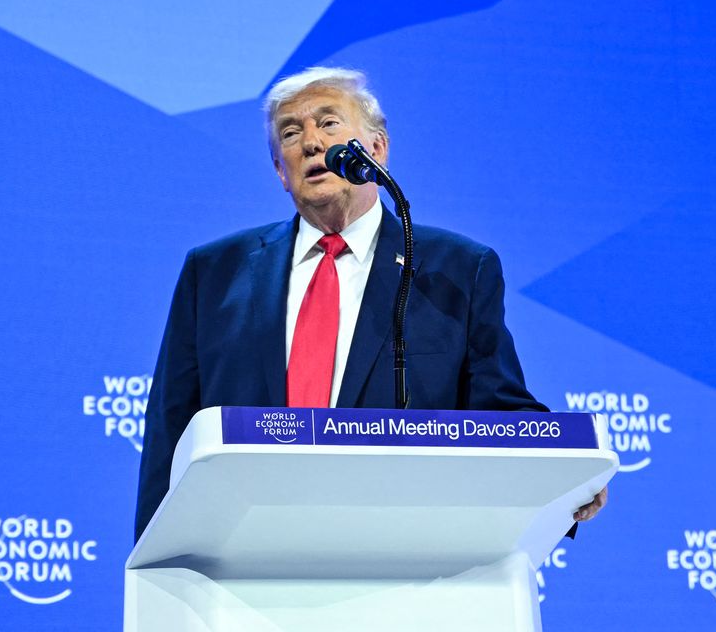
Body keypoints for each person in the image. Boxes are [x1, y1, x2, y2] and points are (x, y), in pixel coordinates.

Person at [135, 66, 607, 538]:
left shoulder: (456, 269)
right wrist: (157, 573)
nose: (312, 143)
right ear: (281, 170)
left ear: (376, 150)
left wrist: (563, 476)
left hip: (400, 550)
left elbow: (496, 409)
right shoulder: (214, 272)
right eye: (291, 133)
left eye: (329, 123)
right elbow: (170, 434)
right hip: (244, 549)